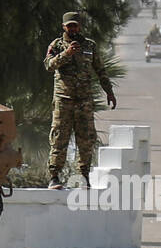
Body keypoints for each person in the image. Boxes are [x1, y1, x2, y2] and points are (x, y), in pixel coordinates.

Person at [44, 12, 117, 189]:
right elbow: (48, 65)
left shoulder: (90, 46)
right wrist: (66, 54)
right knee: (59, 138)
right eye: (69, 26)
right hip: (64, 100)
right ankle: (54, 176)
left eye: (75, 25)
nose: (72, 29)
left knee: (86, 139)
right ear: (64, 27)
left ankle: (83, 175)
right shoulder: (57, 45)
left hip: (84, 101)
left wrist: (109, 91)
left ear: (80, 26)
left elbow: (100, 70)